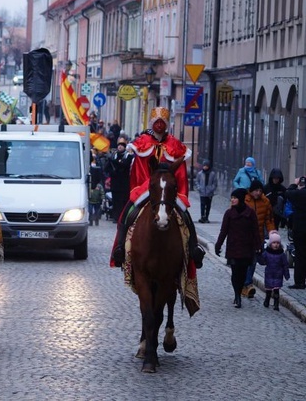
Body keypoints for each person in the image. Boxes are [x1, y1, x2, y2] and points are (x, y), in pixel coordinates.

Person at [111, 107, 205, 268]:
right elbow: (138, 171)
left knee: (186, 217)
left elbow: (181, 173)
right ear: (152, 124)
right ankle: (120, 248)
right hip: (146, 187)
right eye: (157, 122)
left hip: (168, 189)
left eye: (163, 122)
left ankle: (193, 248)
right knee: (126, 214)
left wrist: (178, 192)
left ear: (167, 124)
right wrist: (147, 187)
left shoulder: (175, 145)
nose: (160, 126)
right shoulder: (142, 143)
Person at [214, 188, 261, 308]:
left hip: (246, 248)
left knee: (243, 273)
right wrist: (218, 245)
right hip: (233, 248)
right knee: (235, 273)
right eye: (232, 198)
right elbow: (223, 231)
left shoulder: (250, 213)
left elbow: (256, 231)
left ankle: (239, 292)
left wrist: (258, 247)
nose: (232, 200)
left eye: (234, 198)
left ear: (240, 199)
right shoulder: (229, 213)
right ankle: (237, 296)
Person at [241, 179, 276, 298]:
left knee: (253, 261)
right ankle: (243, 284)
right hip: (244, 237)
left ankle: (247, 284)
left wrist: (272, 233)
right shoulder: (244, 200)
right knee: (244, 262)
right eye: (256, 190)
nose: (258, 193)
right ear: (251, 190)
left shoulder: (265, 201)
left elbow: (269, 219)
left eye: (260, 190)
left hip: (258, 238)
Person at [257, 231, 290, 310]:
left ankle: (276, 304)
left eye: (277, 243)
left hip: (278, 274)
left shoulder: (282, 254)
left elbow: (285, 264)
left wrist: (286, 274)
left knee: (276, 290)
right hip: (269, 273)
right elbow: (262, 261)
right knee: (268, 290)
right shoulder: (267, 253)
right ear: (270, 244)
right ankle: (267, 300)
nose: (276, 245)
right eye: (274, 243)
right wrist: (258, 255)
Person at [283, 176, 306, 289]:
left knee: (300, 255)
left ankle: (300, 282)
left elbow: (287, 192)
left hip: (300, 229)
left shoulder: (298, 194)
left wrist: (294, 184)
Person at [106, 137, 131, 223]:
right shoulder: (114, 155)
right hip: (115, 184)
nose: (120, 147)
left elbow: (125, 165)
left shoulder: (128, 156)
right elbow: (107, 167)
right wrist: (111, 170)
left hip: (124, 184)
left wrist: (115, 162)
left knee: (123, 201)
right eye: (119, 145)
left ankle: (122, 217)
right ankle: (116, 217)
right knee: (115, 201)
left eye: (122, 145)